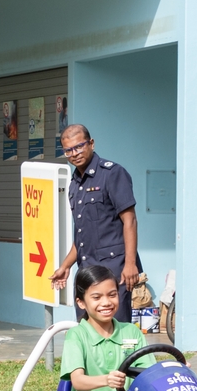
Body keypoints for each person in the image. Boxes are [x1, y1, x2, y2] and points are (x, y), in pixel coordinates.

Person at [49, 125, 144, 322]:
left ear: (91, 144)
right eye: (68, 150)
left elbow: (130, 221)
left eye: (79, 147)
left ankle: (125, 355)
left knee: (117, 329)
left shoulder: (112, 174)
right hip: (87, 270)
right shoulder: (75, 183)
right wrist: (66, 266)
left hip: (114, 269)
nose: (74, 154)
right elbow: (82, 236)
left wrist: (130, 263)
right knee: (87, 330)